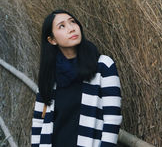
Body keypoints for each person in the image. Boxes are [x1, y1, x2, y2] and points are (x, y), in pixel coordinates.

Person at [31, 9, 122, 147]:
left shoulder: (103, 65)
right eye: (62, 26)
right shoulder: (50, 72)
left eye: (72, 22)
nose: (71, 28)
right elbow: (38, 119)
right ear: (52, 40)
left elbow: (112, 119)